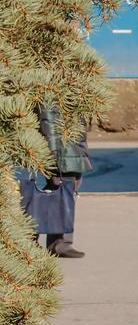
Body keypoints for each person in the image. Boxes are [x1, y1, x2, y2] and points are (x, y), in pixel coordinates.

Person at [37, 103, 91, 258]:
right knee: (58, 189)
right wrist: (52, 149)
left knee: (67, 190)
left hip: (72, 145)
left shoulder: (72, 84)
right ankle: (34, 239)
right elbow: (46, 118)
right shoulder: (53, 85)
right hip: (60, 147)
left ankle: (60, 242)